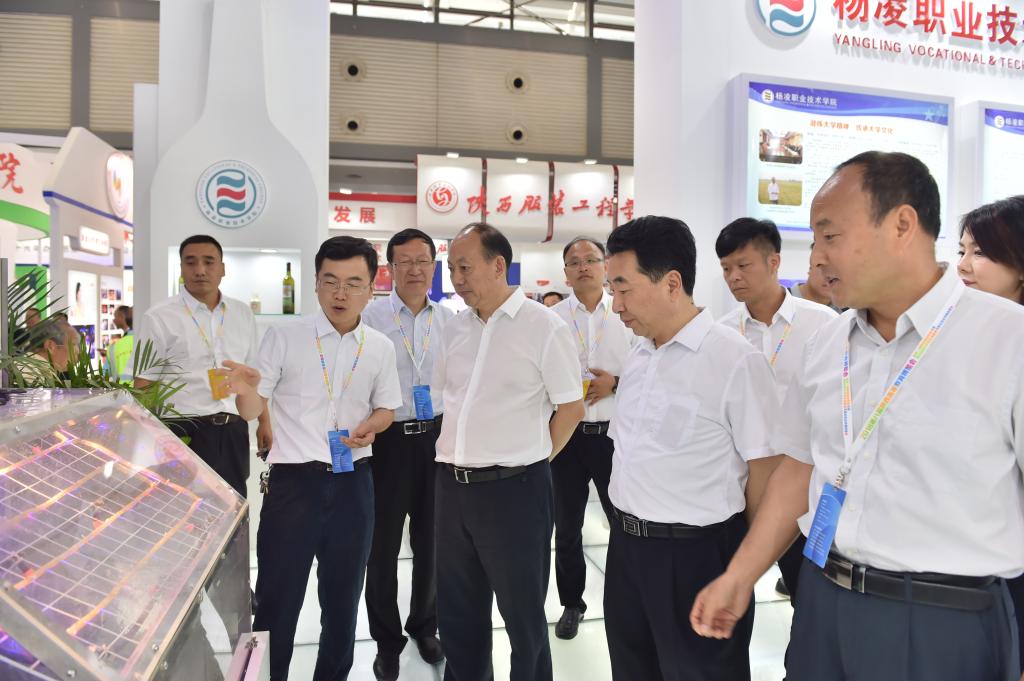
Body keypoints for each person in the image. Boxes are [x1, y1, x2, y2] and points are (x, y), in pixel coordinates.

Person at [692, 152, 1024, 681]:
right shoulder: (828, 343)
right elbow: (800, 468)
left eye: (830, 236)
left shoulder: (1006, 339)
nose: (817, 257)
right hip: (823, 599)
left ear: (902, 225)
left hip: (943, 619)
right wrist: (741, 574)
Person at [603, 215, 781, 681]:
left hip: (695, 558)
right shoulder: (640, 353)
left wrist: (739, 565)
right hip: (626, 551)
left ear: (671, 283)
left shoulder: (734, 360)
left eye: (623, 288)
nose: (615, 305)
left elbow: (765, 472)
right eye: (611, 289)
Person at [219, 235, 403, 681]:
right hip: (293, 486)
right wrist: (246, 389)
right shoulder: (285, 336)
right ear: (316, 283)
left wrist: (373, 425)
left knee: (342, 601)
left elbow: (387, 408)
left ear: (372, 288)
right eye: (330, 281)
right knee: (276, 599)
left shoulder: (379, 346)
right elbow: (250, 410)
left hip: (354, 484)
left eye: (353, 283)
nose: (341, 293)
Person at [433, 222, 584, 681]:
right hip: (452, 487)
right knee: (458, 612)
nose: (456, 279)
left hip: (515, 491)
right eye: (452, 268)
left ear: (498, 265)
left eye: (465, 268)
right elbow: (448, 399)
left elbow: (571, 408)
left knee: (523, 617)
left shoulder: (544, 326)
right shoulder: (455, 328)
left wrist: (532, 458)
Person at [716, 217, 837, 602]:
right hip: (742, 480)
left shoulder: (823, 324)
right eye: (725, 269)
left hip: (803, 480)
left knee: (808, 592)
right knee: (733, 589)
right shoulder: (722, 332)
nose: (733, 277)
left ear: (774, 262)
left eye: (743, 265)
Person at [361, 229, 453, 681]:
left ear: (434, 266)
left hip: (437, 438)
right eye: (405, 261)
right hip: (388, 441)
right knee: (380, 546)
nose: (415, 269)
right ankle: (386, 639)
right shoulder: (370, 317)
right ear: (390, 268)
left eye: (423, 261)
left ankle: (424, 624)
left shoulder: (452, 320)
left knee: (432, 541)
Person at [134, 234, 269, 498]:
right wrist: (152, 438)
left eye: (209, 262)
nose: (200, 270)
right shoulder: (159, 316)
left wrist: (264, 422)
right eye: (191, 262)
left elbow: (253, 377)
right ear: (181, 268)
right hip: (181, 431)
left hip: (232, 430)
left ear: (222, 268)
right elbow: (144, 383)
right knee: (180, 508)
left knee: (233, 506)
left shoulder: (242, 313)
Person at [548, 236, 633, 640]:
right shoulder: (551, 318)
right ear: (566, 273)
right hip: (566, 436)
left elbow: (650, 367)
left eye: (590, 259)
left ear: (605, 266)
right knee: (567, 526)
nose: (583, 266)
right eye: (574, 261)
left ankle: (625, 599)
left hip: (612, 435)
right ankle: (572, 603)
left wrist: (615, 382)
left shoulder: (626, 311)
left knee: (623, 520)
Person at [957, 195, 1024, 676]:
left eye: (979, 253)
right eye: (961, 250)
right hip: (967, 563)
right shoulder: (967, 338)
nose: (962, 266)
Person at [789, 242, 842, 313]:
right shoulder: (780, 301)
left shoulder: (848, 311)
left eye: (838, 269)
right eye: (824, 267)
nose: (831, 276)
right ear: (810, 268)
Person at [104, 305, 134, 383]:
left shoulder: (113, 348)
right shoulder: (146, 341)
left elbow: (105, 374)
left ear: (122, 316)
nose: (113, 320)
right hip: (143, 389)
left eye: (115, 317)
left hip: (120, 389)